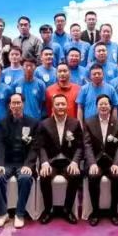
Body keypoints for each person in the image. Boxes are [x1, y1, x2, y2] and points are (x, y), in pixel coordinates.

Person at [0, 93, 39, 228]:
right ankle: (3, 213)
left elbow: (35, 147)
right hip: (7, 162)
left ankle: (19, 213)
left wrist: (29, 165)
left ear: (23, 104)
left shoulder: (33, 123)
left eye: (19, 103)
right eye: (14, 103)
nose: (16, 105)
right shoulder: (3, 123)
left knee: (25, 178)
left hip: (24, 162)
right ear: (9, 105)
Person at [35, 94, 83, 224]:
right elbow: (41, 146)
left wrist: (75, 162)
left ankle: (67, 209)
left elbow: (80, 146)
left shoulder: (75, 123)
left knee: (75, 175)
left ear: (67, 106)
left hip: (68, 161)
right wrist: (44, 162)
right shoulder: (44, 124)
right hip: (51, 162)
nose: (60, 107)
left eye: (63, 104)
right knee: (45, 175)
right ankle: (48, 209)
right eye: (57, 104)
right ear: (53, 107)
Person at [82, 94, 118, 226]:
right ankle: (95, 212)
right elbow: (87, 145)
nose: (103, 106)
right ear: (96, 107)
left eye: (106, 103)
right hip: (96, 160)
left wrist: (117, 163)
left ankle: (114, 211)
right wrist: (92, 163)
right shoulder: (89, 122)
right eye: (101, 104)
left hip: (112, 161)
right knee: (93, 176)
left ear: (110, 106)